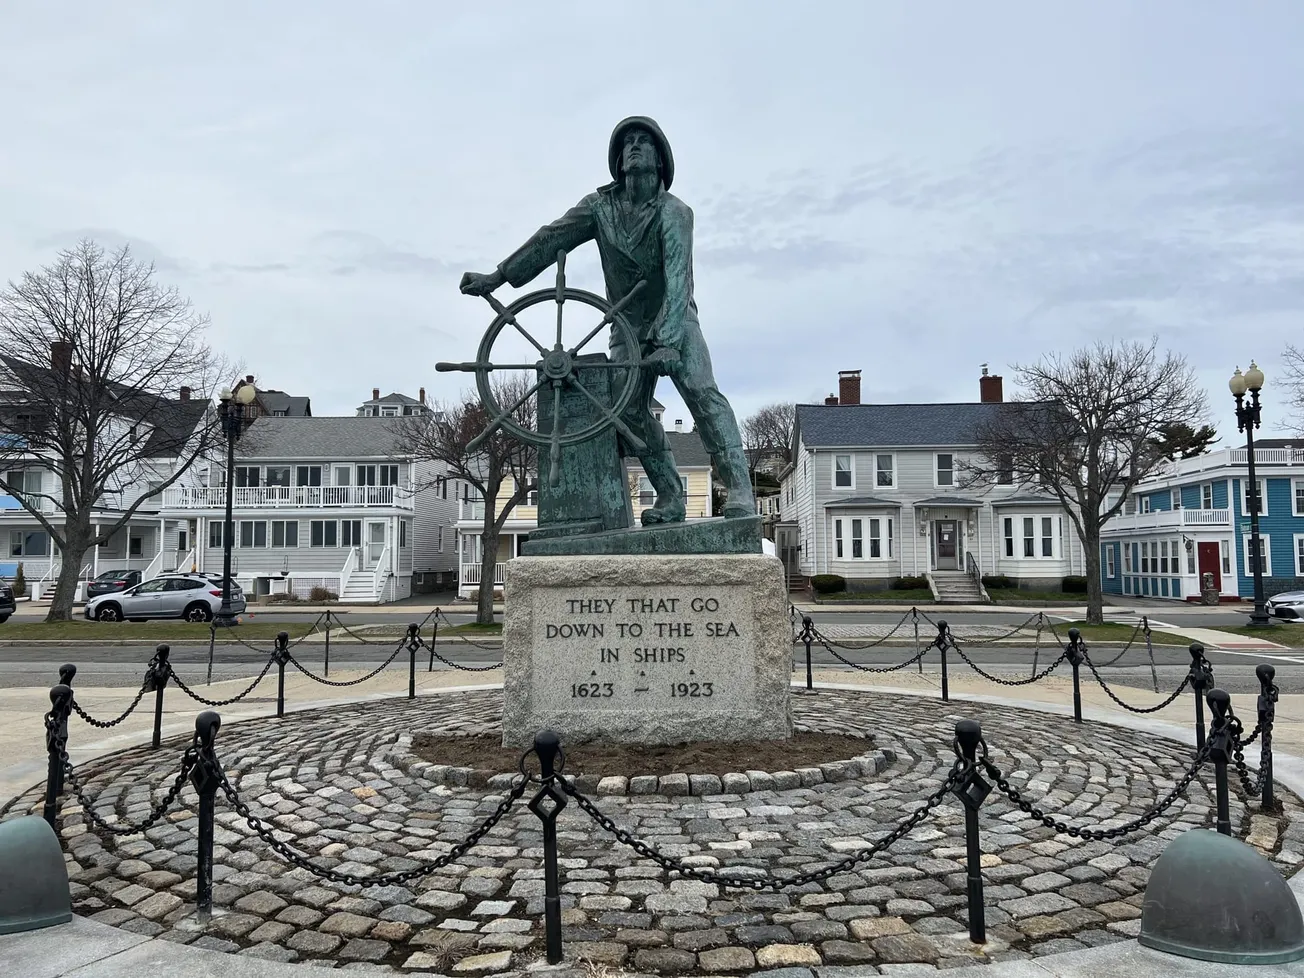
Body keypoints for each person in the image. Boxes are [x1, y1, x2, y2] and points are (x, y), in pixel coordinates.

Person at [460, 116, 755, 522]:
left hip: (676, 320)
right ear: (618, 160)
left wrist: (668, 340)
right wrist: (500, 276)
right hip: (625, 324)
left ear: (660, 158)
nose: (633, 147)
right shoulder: (600, 207)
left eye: (643, 142)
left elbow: (677, 279)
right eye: (626, 143)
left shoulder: (675, 213)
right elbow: (552, 237)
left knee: (703, 394)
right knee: (627, 412)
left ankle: (741, 491)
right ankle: (671, 497)